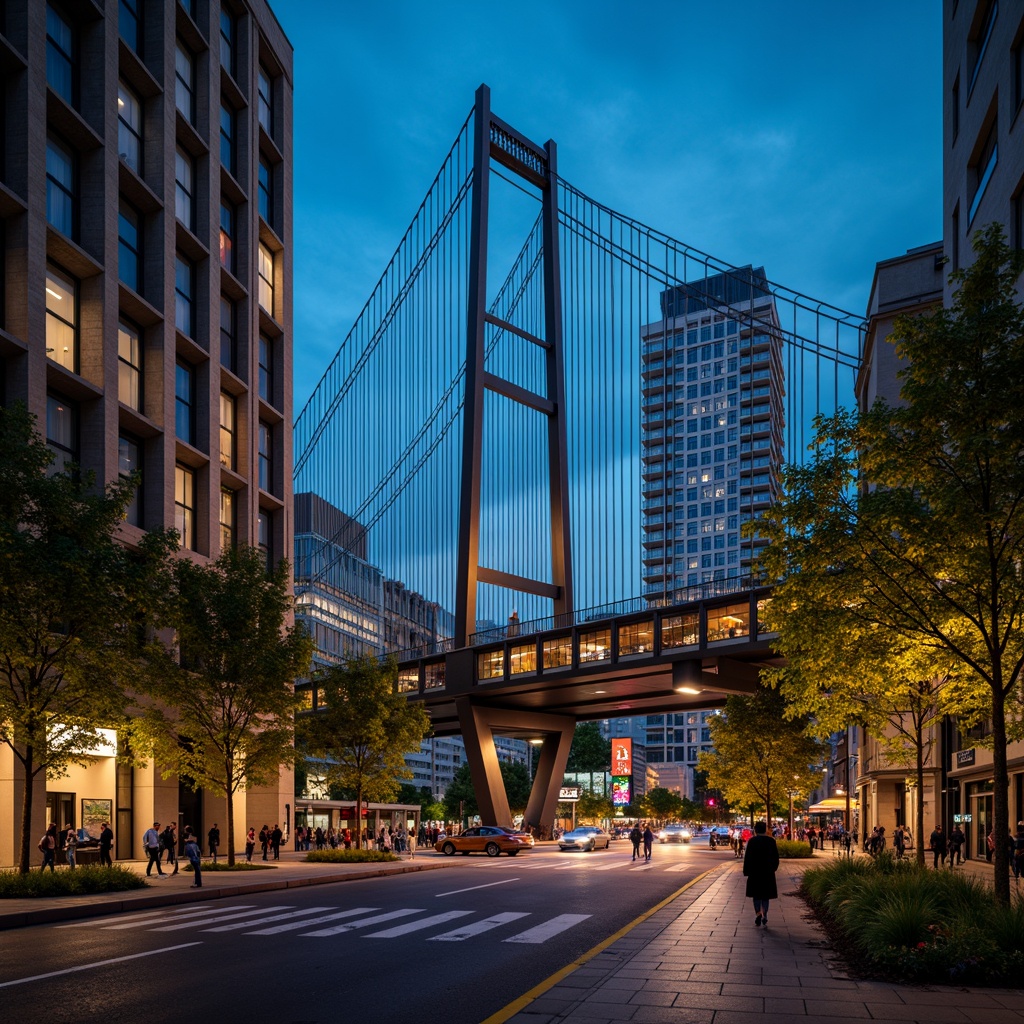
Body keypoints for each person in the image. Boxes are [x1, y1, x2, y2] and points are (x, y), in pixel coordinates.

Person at [742, 821, 780, 928]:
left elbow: (748, 858)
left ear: (755, 830)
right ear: (765, 830)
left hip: (755, 872)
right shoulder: (771, 841)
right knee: (765, 896)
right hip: (768, 872)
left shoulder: (752, 841)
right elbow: (776, 857)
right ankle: (765, 914)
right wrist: (773, 868)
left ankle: (758, 913)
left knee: (756, 895)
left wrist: (747, 871)